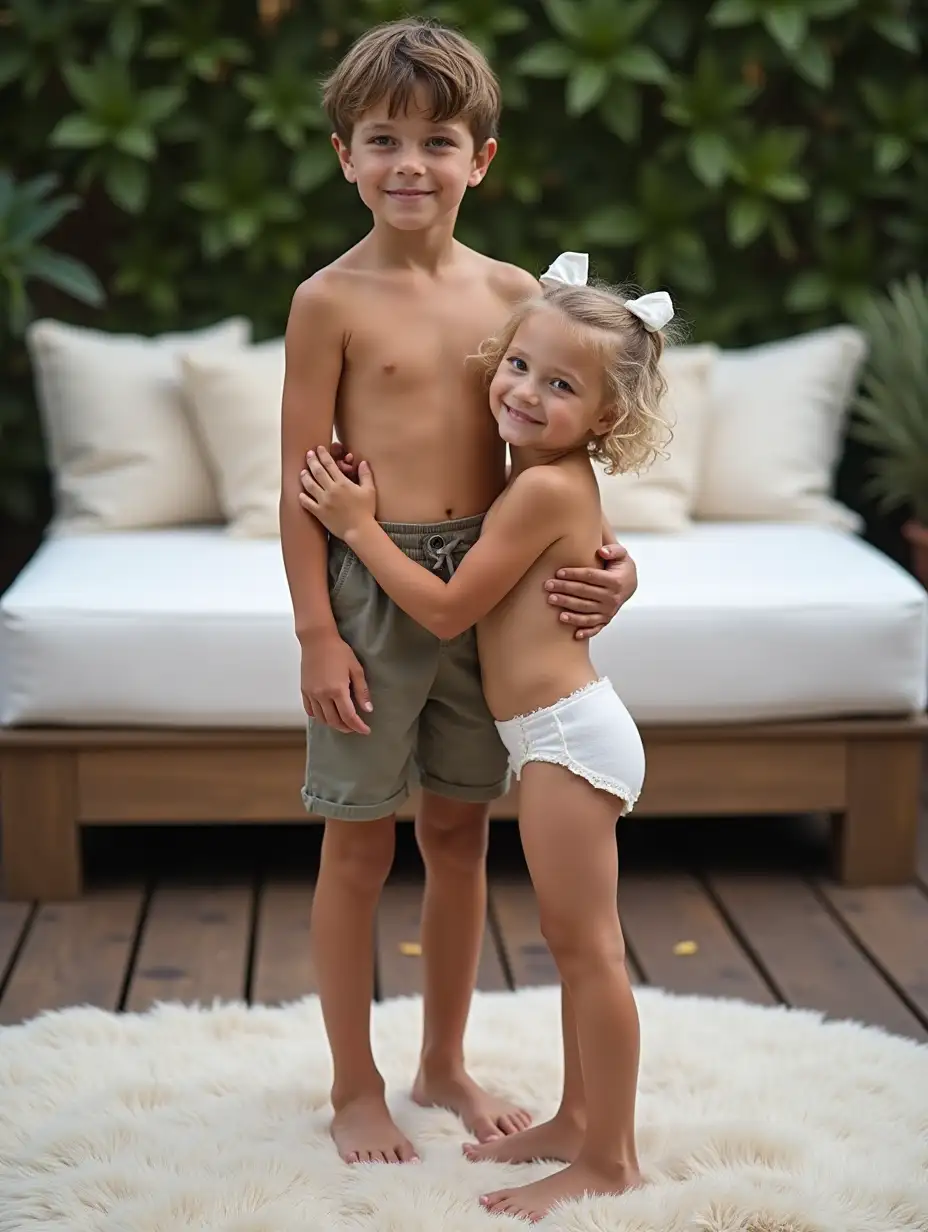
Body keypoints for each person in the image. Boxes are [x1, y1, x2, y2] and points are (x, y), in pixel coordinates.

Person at [278, 18, 640, 1167]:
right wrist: (316, 632)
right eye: (381, 139)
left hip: (493, 591)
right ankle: (353, 1082)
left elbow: (554, 460)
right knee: (356, 844)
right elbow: (299, 485)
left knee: (458, 831)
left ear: (479, 158)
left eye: (436, 140)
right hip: (375, 587)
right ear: (344, 153)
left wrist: (615, 563)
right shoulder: (326, 301)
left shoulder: (514, 293)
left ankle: (443, 1057)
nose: (408, 165)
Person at [298, 252, 675, 1220]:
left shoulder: (545, 482)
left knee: (587, 948)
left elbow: (449, 605)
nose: (523, 390)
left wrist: (357, 521)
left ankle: (609, 1155)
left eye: (558, 385)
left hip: (563, 736)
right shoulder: (541, 463)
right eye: (517, 368)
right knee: (572, 937)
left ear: (603, 418)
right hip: (555, 730)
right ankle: (577, 1117)